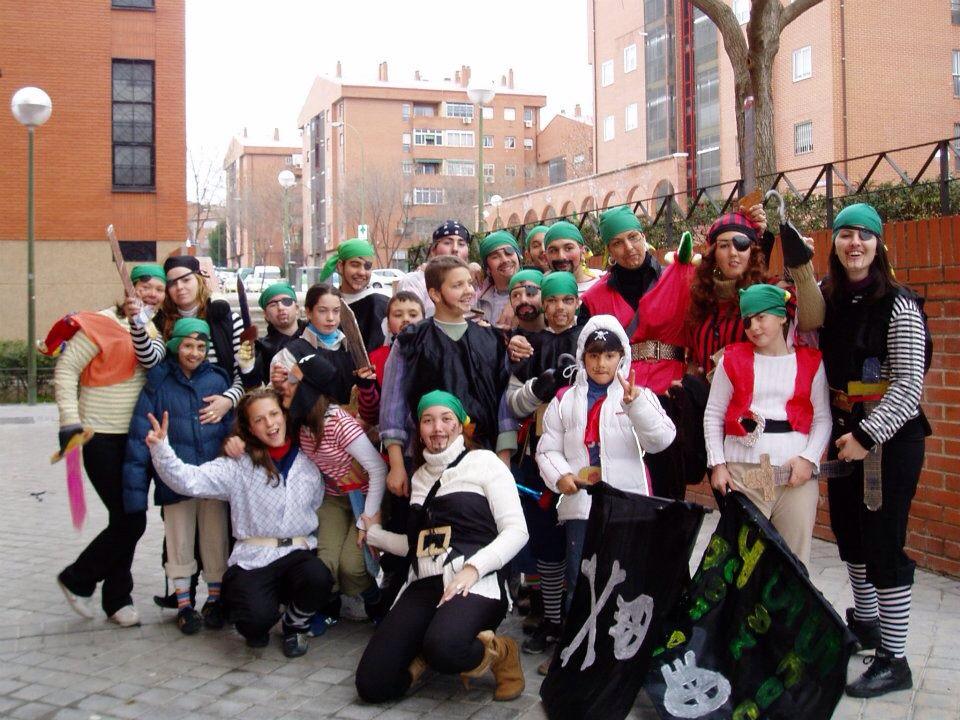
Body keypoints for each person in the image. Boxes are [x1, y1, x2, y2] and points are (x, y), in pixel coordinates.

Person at [818, 203, 930, 698]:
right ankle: (865, 624)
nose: (855, 243)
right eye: (845, 234)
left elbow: (908, 386)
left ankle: (895, 657)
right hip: (844, 434)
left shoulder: (899, 303)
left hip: (887, 440)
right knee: (849, 535)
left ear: (879, 244)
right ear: (836, 244)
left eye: (865, 234)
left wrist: (867, 436)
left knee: (884, 543)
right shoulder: (829, 300)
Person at [355, 391, 528, 703]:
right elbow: (417, 546)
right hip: (424, 584)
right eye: (428, 420)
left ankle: (501, 653)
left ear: (460, 426)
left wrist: (473, 569)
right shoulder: (419, 478)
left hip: (475, 583)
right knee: (373, 684)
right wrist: (375, 535)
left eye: (446, 419)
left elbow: (517, 531)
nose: (437, 428)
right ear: (419, 430)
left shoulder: (485, 462)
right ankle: (424, 653)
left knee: (446, 648)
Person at [144, 388, 335, 658]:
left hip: (296, 554)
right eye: (259, 419)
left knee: (319, 577)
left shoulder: (307, 463)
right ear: (249, 428)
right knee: (254, 624)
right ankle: (262, 615)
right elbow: (190, 480)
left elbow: (315, 503)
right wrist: (162, 449)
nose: (270, 424)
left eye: (273, 414)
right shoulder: (238, 466)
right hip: (254, 558)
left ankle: (295, 623)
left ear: (284, 415)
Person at [536, 315, 676, 625]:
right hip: (581, 505)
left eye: (609, 356)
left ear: (621, 357)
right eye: (594, 355)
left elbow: (661, 440)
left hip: (628, 502)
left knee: (627, 576)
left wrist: (636, 406)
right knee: (578, 577)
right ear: (583, 357)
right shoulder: (564, 400)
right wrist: (561, 476)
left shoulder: (639, 395)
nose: (601, 363)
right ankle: (574, 653)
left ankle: (618, 655)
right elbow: (547, 449)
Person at [52, 263, 166, 627]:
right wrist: (69, 420)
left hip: (136, 439)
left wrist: (138, 326)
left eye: (159, 290)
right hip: (98, 434)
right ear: (128, 288)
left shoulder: (153, 331)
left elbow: (150, 361)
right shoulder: (99, 324)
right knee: (131, 520)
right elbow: (67, 369)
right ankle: (78, 578)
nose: (153, 294)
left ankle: (117, 600)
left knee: (125, 517)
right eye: (145, 287)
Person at [703, 284, 830, 567]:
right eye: (747, 320)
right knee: (743, 561)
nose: (754, 326)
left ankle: (786, 614)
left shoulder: (810, 362)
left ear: (782, 316)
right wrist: (718, 464)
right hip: (745, 473)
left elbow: (822, 418)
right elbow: (713, 414)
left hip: (795, 474)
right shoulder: (732, 360)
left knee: (794, 562)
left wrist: (809, 459)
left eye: (761, 317)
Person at [122, 318, 232, 634]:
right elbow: (139, 438)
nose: (194, 352)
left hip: (213, 480)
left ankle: (214, 600)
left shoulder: (217, 381)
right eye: (187, 345)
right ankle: (184, 604)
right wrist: (135, 494)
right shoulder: (158, 383)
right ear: (174, 346)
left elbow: (231, 427)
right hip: (174, 480)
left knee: (216, 541)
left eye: (201, 346)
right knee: (179, 541)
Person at [504, 271, 582, 656]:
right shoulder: (530, 346)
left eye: (566, 300)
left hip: (585, 457)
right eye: (551, 301)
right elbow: (512, 402)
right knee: (547, 541)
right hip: (538, 458)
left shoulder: (593, 342)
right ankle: (551, 619)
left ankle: (578, 618)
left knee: (581, 543)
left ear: (578, 303)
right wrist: (540, 388)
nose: (559, 308)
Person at [289, 354, 387, 624]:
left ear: (310, 388)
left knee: (352, 566)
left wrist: (367, 519)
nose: (285, 384)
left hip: (364, 496)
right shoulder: (300, 420)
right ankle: (325, 606)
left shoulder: (336, 422)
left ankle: (374, 600)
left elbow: (378, 469)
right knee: (325, 562)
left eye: (292, 379)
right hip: (332, 498)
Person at [686, 209, 823, 375]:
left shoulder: (771, 290)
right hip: (710, 399)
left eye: (741, 244)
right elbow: (694, 361)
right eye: (723, 246)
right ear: (713, 253)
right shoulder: (701, 300)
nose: (733, 253)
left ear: (752, 251)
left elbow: (812, 320)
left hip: (759, 396)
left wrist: (801, 266)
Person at [128, 255, 248, 423]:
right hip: (176, 416)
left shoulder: (227, 320)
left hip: (220, 417)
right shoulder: (161, 322)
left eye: (185, 280)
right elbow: (150, 360)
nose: (179, 287)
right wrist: (137, 325)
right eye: (172, 283)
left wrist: (228, 400)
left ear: (198, 280)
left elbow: (243, 371)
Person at [321, 239, 389, 350]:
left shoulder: (380, 304)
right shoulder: (328, 304)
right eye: (355, 265)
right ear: (340, 266)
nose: (362, 272)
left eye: (367, 266)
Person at [396, 220, 472, 318]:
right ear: (433, 250)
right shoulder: (414, 282)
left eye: (461, 244)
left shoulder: (473, 282)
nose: (455, 249)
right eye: (447, 243)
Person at [248, 282, 306, 387]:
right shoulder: (261, 348)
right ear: (265, 315)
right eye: (273, 304)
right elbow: (254, 385)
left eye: (286, 302)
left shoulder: (314, 335)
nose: (280, 307)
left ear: (297, 308)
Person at [475, 231, 522, 329]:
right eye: (495, 256)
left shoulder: (537, 292)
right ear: (487, 268)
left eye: (509, 252)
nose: (505, 260)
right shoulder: (478, 298)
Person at [542, 221, 603, 294]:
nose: (561, 256)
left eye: (568, 248)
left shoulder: (602, 286)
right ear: (545, 257)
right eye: (553, 251)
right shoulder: (540, 291)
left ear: (583, 252)